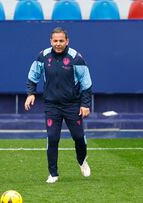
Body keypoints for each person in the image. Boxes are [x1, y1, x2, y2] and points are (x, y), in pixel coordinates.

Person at [24, 27, 92, 183]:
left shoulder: (76, 58)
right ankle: (53, 174)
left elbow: (86, 83)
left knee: (79, 137)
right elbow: (33, 75)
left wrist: (85, 104)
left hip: (72, 105)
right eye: (55, 41)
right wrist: (30, 93)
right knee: (52, 138)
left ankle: (82, 161)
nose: (58, 44)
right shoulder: (43, 56)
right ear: (51, 41)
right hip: (52, 105)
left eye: (61, 41)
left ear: (67, 41)